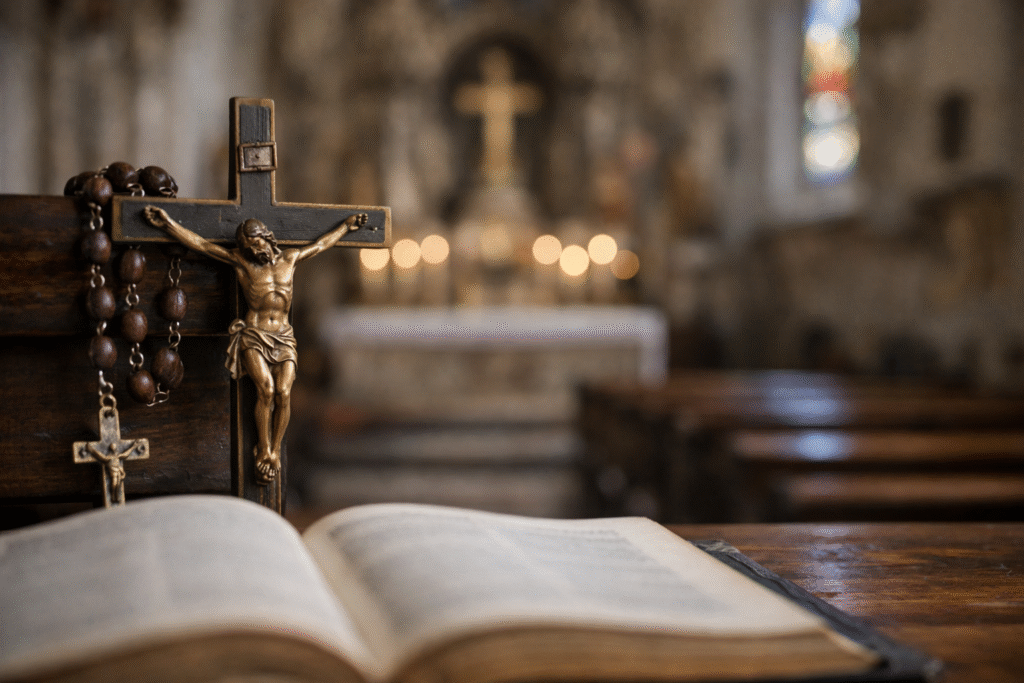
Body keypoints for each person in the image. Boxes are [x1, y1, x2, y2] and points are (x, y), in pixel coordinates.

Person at [143, 206, 367, 484]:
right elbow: (202, 244)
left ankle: (274, 450)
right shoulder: (242, 263)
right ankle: (263, 449)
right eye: (246, 247)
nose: (251, 250)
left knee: (284, 393)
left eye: (254, 243)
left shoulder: (291, 258)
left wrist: (346, 227)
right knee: (266, 389)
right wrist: (168, 224)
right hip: (254, 335)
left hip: (284, 336)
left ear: (267, 237)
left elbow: (321, 244)